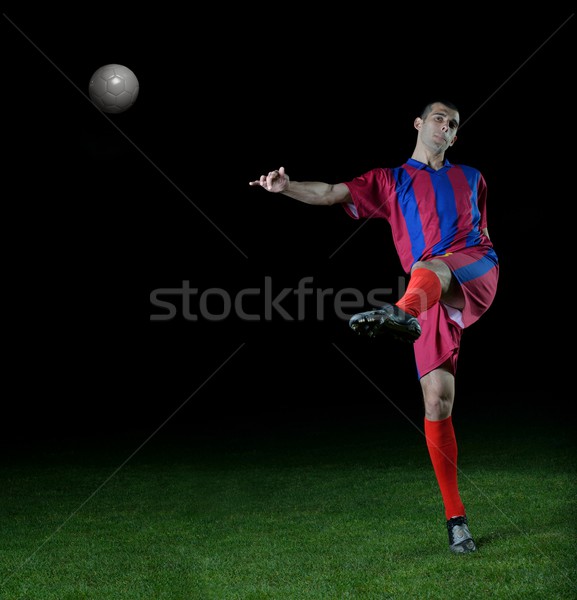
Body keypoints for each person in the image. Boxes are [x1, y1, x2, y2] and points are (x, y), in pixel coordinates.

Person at [249, 100, 498, 554]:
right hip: (428, 292)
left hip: (474, 268)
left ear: (456, 138)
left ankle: (400, 314)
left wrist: (417, 296)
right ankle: (456, 519)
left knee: (429, 264)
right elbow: (328, 192)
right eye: (440, 118)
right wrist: (285, 188)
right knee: (437, 401)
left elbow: (476, 230)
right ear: (420, 124)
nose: (447, 126)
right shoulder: (390, 181)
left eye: (454, 124)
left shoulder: (473, 178)